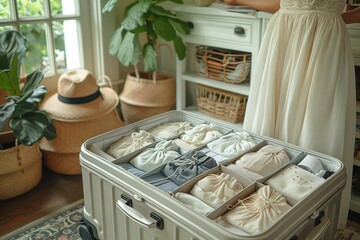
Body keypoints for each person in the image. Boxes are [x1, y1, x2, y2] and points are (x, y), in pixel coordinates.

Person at [223, 0, 360, 229]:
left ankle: (306, 213)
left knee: (314, 123)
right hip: (287, 31)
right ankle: (262, 209)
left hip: (322, 36)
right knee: (278, 118)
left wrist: (336, 16)